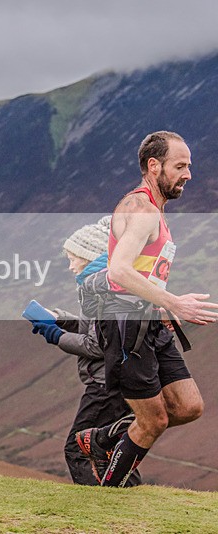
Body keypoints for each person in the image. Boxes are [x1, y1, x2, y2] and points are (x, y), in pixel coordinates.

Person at [75, 131, 218, 487]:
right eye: (180, 166)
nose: (188, 174)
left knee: (187, 407)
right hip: (125, 325)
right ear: (154, 166)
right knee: (153, 421)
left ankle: (100, 439)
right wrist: (174, 302)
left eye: (189, 166)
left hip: (149, 320)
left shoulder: (154, 210)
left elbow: (141, 270)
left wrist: (160, 305)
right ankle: (110, 493)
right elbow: (119, 270)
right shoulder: (141, 210)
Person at [28, 216, 139, 486]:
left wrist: (55, 335)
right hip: (122, 382)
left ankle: (98, 505)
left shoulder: (98, 289)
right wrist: (59, 318)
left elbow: (97, 345)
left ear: (90, 255)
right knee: (112, 447)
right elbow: (97, 330)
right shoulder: (106, 283)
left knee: (78, 448)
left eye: (73, 258)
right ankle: (130, 495)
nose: (70, 266)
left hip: (104, 385)